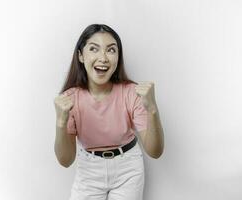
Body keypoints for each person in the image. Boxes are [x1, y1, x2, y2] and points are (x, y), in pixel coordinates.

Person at [54, 24, 164, 200]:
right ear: (81, 56)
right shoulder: (70, 99)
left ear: (118, 57)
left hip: (128, 167)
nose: (103, 58)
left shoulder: (132, 93)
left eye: (111, 50)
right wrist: (61, 122)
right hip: (89, 169)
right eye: (94, 49)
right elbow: (66, 161)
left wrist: (152, 109)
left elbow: (155, 151)